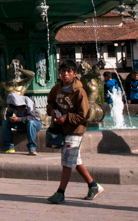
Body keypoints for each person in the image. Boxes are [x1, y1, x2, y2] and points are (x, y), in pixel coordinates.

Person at [46, 60, 103, 204]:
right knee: (74, 160)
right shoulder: (56, 88)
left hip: (75, 130)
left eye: (69, 72)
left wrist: (66, 118)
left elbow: (84, 114)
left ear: (75, 74)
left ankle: (60, 192)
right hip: (61, 129)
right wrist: (52, 111)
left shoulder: (79, 91)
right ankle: (93, 185)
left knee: (66, 162)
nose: (65, 74)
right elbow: (50, 103)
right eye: (63, 71)